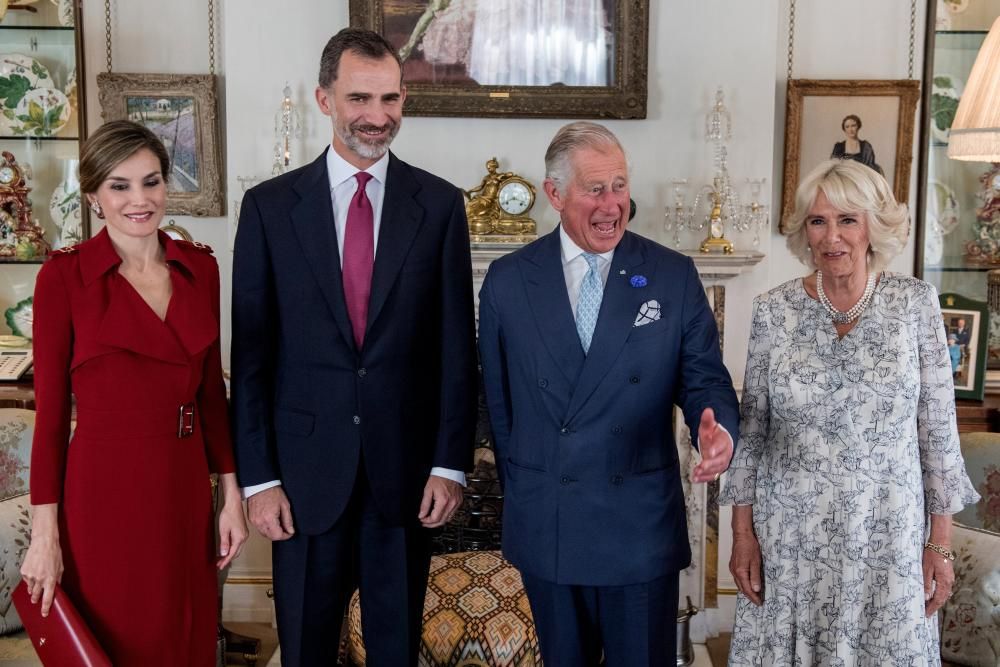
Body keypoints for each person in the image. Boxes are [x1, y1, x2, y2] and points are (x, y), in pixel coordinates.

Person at [231, 28, 477, 666]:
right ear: (324, 99)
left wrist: (450, 464)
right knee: (306, 650)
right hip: (303, 480)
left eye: (391, 98)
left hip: (404, 477)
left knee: (395, 652)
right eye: (360, 98)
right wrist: (259, 480)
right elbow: (253, 359)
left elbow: (457, 349)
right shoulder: (268, 209)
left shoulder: (443, 207)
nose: (378, 116)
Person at [477, 121, 739, 665]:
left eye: (619, 186)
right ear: (554, 194)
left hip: (637, 524)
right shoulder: (507, 281)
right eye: (595, 189)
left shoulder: (671, 276)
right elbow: (500, 408)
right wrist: (525, 488)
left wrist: (716, 428)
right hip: (549, 518)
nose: (612, 204)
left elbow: (704, 378)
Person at [721, 158, 980, 666]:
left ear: (873, 228)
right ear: (803, 230)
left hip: (888, 534)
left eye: (847, 220)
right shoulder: (774, 310)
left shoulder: (914, 305)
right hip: (791, 537)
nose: (831, 236)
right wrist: (742, 535)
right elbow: (750, 434)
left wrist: (941, 544)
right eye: (818, 221)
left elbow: (938, 432)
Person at [19, 120, 247, 665]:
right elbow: (50, 419)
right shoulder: (64, 278)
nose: (139, 200)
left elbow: (212, 395)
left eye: (151, 182)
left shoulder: (201, 269)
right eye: (120, 186)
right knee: (122, 642)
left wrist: (232, 495)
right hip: (104, 496)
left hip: (185, 488)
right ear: (95, 195)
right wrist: (44, 536)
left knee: (184, 637)